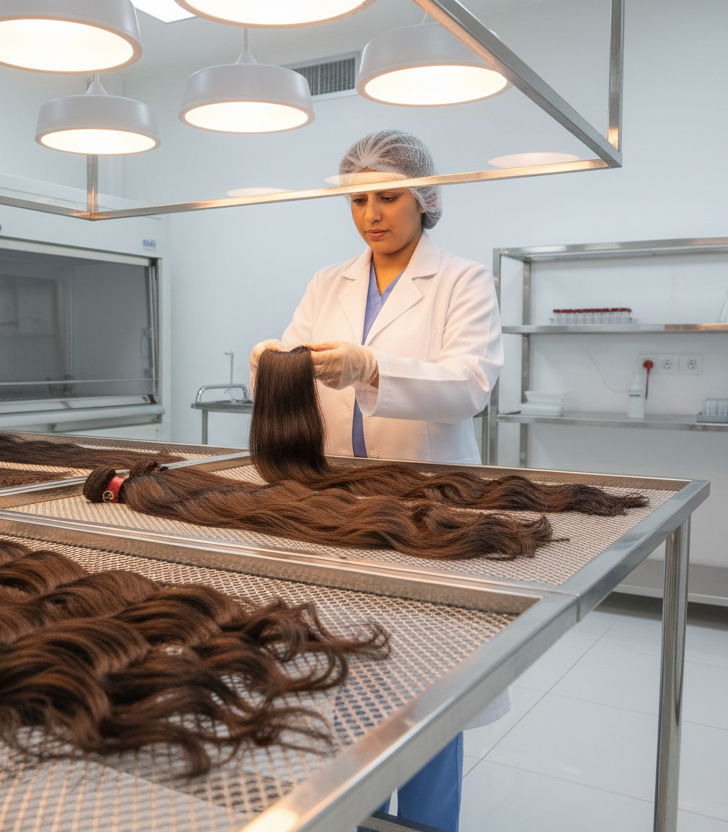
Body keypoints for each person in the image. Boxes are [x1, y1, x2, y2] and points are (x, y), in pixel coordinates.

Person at [250, 130, 506, 832]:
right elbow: (298, 359)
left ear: (425, 199)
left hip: (428, 504)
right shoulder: (328, 282)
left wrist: (371, 368)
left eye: (388, 197)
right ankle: (359, 815)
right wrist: (271, 362)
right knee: (354, 667)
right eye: (358, 200)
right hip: (337, 503)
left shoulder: (462, 280)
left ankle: (426, 823)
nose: (371, 214)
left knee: (429, 681)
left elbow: (471, 385)